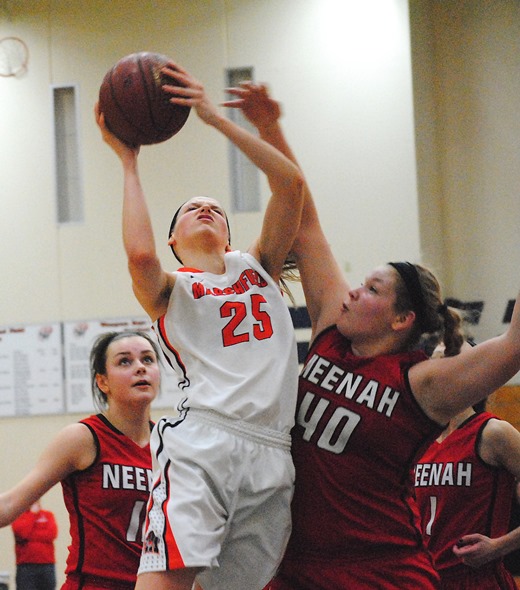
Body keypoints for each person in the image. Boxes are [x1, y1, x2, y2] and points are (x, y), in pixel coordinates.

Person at [224, 82, 520, 589]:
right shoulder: (329, 330)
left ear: (400, 319)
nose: (354, 292)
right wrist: (269, 125)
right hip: (295, 565)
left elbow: (514, 346)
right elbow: (306, 221)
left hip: (381, 570)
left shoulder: (423, 383)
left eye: (372, 289)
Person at [95, 61, 304, 590]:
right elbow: (139, 254)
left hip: (273, 451)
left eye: (215, 207)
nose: (206, 208)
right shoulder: (171, 287)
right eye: (192, 209)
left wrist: (215, 118)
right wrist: (127, 163)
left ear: (231, 236)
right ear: (174, 240)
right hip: (204, 441)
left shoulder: (258, 267)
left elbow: (290, 184)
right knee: (168, 580)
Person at [0, 331, 160, 590]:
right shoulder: (83, 438)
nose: (140, 367)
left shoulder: (172, 443)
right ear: (103, 382)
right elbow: (8, 505)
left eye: (148, 359)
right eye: (125, 361)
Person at [415, 352, 520, 590]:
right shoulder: (419, 439)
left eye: (450, 360)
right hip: (424, 581)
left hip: (477, 581)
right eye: (435, 363)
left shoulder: (493, 433)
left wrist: (500, 546)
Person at [11, 500, 58, 590]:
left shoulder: (48, 515)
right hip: (26, 566)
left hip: (47, 565)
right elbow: (22, 534)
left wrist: (30, 535)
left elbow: (52, 534)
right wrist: (32, 514)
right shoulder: (18, 515)